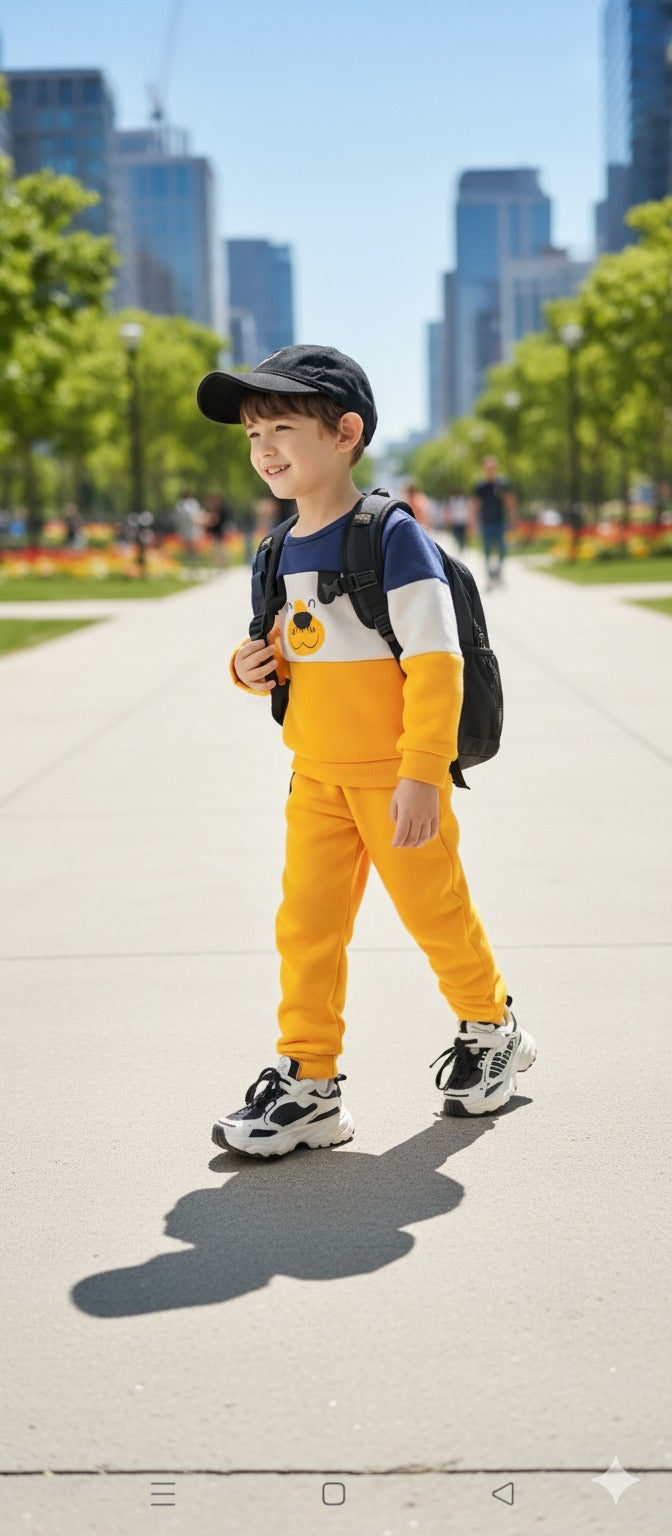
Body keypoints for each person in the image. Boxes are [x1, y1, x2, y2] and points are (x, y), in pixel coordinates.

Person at [197, 345, 536, 1157]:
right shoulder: (279, 549)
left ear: (346, 432)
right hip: (314, 776)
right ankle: (310, 1081)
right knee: (305, 928)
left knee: (436, 914)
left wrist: (423, 773)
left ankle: (493, 1028)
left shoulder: (391, 537)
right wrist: (250, 668)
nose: (266, 448)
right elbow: (287, 652)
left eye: (283, 426)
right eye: (252, 434)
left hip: (395, 779)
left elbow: (436, 660)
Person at [470, 455, 516, 588]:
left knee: (502, 549)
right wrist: (473, 523)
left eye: (492, 467)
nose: (490, 470)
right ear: (483, 469)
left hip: (500, 522)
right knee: (486, 551)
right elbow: (475, 505)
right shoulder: (480, 486)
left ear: (495, 468)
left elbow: (510, 502)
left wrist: (512, 518)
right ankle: (490, 576)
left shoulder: (502, 484)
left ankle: (499, 572)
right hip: (485, 523)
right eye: (487, 468)